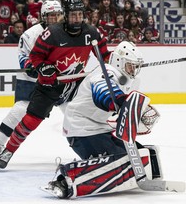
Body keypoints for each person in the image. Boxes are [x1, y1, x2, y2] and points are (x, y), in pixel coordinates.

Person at [0, 0, 111, 169]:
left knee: (88, 117)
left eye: (80, 15)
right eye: (73, 15)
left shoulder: (91, 33)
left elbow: (105, 56)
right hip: (49, 85)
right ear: (66, 15)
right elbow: (35, 56)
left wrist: (119, 64)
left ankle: (99, 151)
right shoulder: (53, 34)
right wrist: (43, 68)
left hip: (74, 86)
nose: (77, 19)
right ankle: (9, 150)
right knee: (31, 120)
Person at [42, 41, 162, 198]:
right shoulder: (104, 73)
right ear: (119, 61)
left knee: (142, 156)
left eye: (136, 66)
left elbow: (125, 108)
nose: (134, 70)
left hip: (102, 128)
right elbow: (103, 92)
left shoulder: (130, 80)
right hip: (81, 129)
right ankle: (64, 181)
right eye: (131, 66)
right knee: (123, 163)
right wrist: (118, 100)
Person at [0, 0, 63, 165]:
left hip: (59, 80)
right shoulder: (30, 34)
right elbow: (23, 55)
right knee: (20, 110)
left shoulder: (67, 33)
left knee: (73, 111)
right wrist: (29, 66)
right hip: (33, 80)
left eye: (58, 14)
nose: (56, 18)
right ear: (44, 16)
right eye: (52, 15)